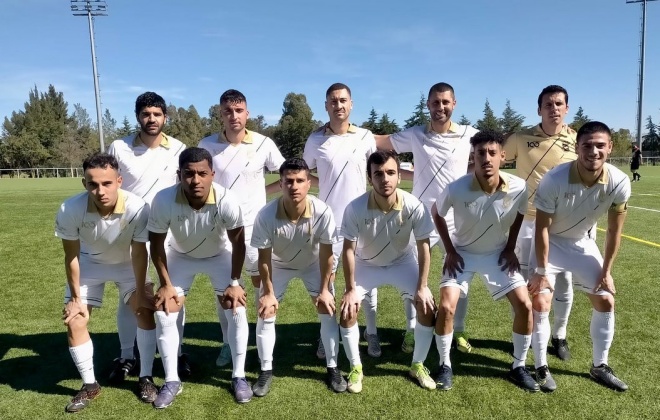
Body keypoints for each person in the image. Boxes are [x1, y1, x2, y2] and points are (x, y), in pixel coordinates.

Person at [417, 130, 538, 392]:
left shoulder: (518, 187)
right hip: (463, 254)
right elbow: (437, 213)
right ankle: (445, 364)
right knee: (447, 307)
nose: (486, 158)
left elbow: (519, 214)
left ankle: (519, 366)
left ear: (502, 157)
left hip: (497, 255)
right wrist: (450, 249)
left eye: (492, 153)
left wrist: (509, 248)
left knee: (525, 305)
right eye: (480, 153)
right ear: (473, 157)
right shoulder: (457, 188)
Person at [375, 82, 478, 354]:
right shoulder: (416, 134)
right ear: (428, 105)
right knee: (411, 276)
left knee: (461, 279)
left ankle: (459, 329)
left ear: (454, 104)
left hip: (458, 218)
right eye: (435, 102)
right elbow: (380, 141)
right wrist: (344, 131)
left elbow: (499, 148)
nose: (440, 107)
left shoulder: (470, 135)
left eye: (445, 102)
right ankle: (411, 329)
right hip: (419, 217)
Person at [529, 121, 631, 392]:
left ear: (610, 147)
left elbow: (613, 231)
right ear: (577, 148)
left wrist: (607, 272)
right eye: (587, 145)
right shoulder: (554, 178)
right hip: (551, 242)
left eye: (600, 145)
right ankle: (540, 367)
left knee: (606, 300)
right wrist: (540, 272)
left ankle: (600, 366)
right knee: (540, 301)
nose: (593, 151)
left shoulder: (619, 181)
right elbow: (541, 229)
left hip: (582, 243)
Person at [147, 147, 250, 407]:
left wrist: (235, 283)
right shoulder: (163, 199)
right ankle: (172, 380)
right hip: (180, 256)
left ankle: (239, 376)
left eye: (202, 173)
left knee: (235, 306)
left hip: (218, 256)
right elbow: (156, 244)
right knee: (165, 309)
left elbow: (238, 243)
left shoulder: (227, 199)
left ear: (212, 174)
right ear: (179, 174)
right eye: (189, 174)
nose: (196, 180)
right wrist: (166, 284)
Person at [56, 153, 153, 412]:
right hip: (90, 265)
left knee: (145, 311)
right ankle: (90, 386)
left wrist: (143, 291)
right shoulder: (70, 209)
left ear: (119, 180)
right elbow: (71, 256)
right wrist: (76, 299)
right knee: (75, 320)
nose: (100, 191)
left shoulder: (138, 207)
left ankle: (145, 377)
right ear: (84, 184)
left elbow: (141, 251)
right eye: (93, 184)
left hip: (127, 264)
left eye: (107, 183)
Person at [198, 89, 285, 367]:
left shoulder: (263, 143)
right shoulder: (207, 145)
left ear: (247, 113)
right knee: (225, 289)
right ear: (220, 114)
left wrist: (265, 191)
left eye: (239, 111)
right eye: (227, 111)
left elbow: (285, 176)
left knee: (261, 283)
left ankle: (261, 339)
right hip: (219, 230)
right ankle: (228, 342)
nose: (233, 116)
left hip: (254, 228)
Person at [106, 92, 188, 384]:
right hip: (129, 232)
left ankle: (177, 353)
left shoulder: (178, 148)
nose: (151, 119)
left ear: (165, 117)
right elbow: (109, 183)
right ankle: (127, 355)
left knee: (174, 292)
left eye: (156, 114)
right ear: (137, 116)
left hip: (169, 231)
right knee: (131, 294)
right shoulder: (119, 146)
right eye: (145, 114)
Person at [340, 150, 436, 393]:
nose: (385, 179)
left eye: (391, 173)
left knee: (426, 308)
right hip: (366, 263)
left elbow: (424, 247)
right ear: (370, 178)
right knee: (347, 310)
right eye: (378, 174)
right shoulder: (355, 208)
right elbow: (348, 251)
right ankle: (355, 368)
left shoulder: (414, 205)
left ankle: (418, 364)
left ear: (399, 176)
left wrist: (422, 287)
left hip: (402, 262)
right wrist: (351, 289)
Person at [250, 158, 348, 396]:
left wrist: (325, 289)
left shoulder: (322, 211)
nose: (294, 186)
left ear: (309, 183)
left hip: (312, 264)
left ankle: (333, 367)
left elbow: (326, 255)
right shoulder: (265, 215)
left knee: (327, 309)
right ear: (281, 183)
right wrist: (269, 294)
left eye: (300, 181)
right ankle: (265, 371)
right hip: (278, 265)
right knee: (266, 311)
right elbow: (264, 259)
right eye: (289, 181)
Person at [503, 85, 578, 380]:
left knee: (564, 280)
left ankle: (559, 336)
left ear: (566, 108)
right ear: (539, 109)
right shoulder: (521, 138)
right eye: (548, 104)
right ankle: (520, 333)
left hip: (565, 223)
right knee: (521, 283)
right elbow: (495, 158)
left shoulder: (577, 140)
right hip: (526, 220)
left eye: (559, 104)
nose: (554, 108)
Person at [303, 83, 382, 359]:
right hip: (328, 224)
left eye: (343, 100)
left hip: (364, 221)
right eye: (333, 101)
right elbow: (304, 175)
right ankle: (328, 335)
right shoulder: (315, 140)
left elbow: (377, 171)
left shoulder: (365, 137)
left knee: (366, 282)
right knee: (329, 282)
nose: (338, 105)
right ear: (326, 106)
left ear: (351, 104)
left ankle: (371, 332)